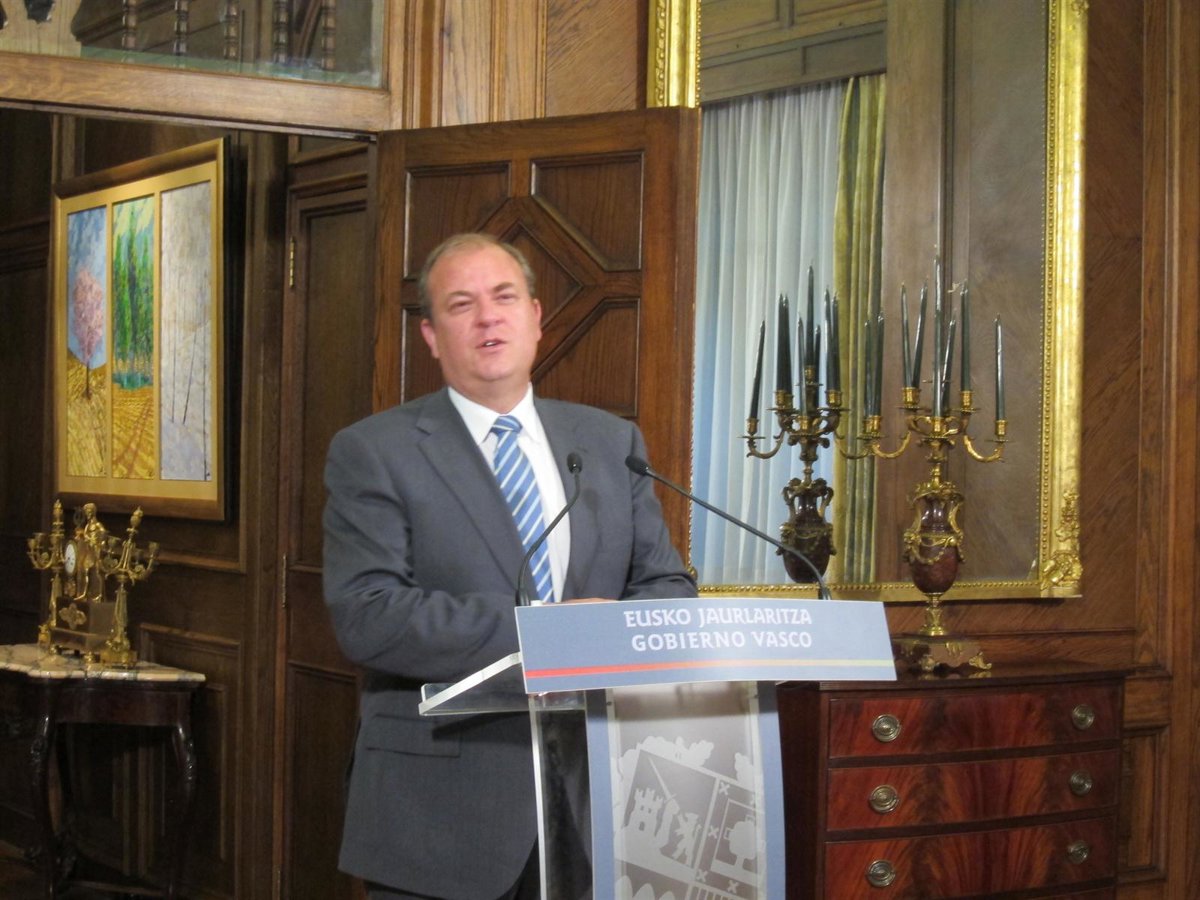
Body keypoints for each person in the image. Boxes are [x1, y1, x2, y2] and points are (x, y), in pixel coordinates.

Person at [322, 232, 697, 900]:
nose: (488, 318)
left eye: (504, 297)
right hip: (442, 811)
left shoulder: (609, 441)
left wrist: (616, 633)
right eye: (461, 304)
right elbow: (368, 616)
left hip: (599, 802)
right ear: (432, 336)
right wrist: (545, 633)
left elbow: (666, 587)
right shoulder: (374, 451)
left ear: (536, 316)